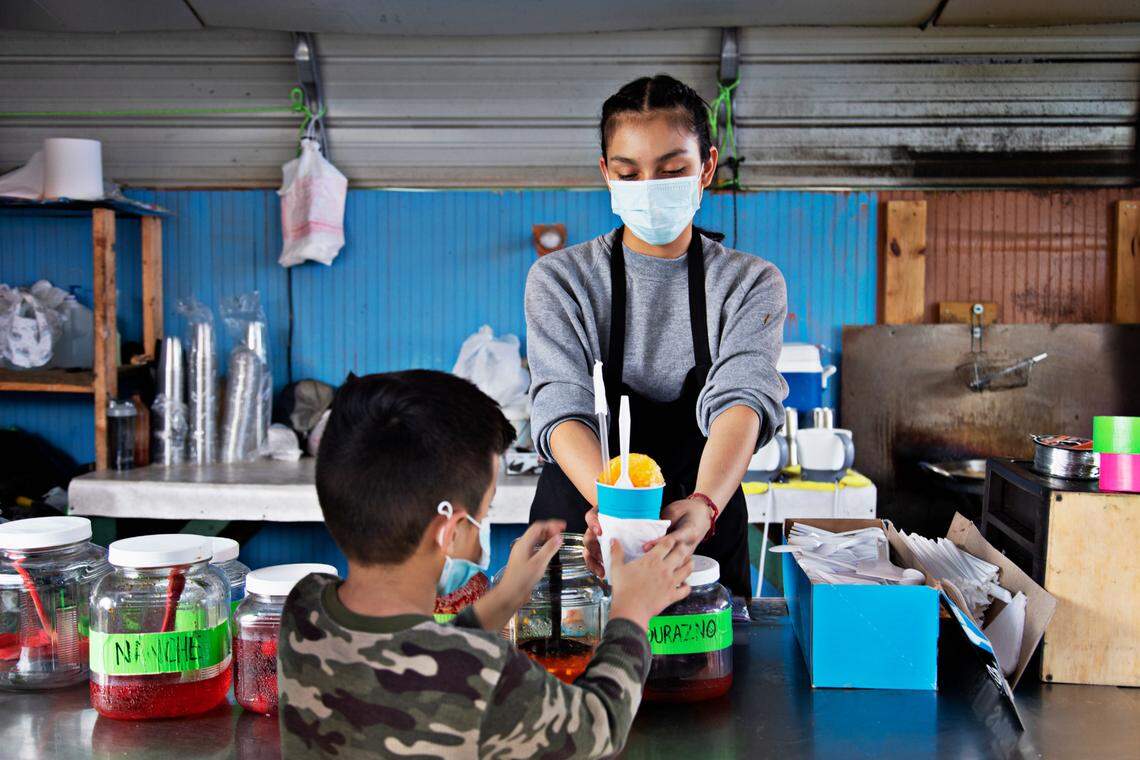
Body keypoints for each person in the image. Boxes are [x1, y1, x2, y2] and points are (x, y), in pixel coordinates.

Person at [277, 370, 693, 758]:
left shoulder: (303, 608)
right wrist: (632, 613)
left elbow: (413, 658)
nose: (486, 520)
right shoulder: (486, 675)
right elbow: (598, 726)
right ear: (452, 531)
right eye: (486, 508)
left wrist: (506, 598)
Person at [525, 74, 788, 600]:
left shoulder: (749, 283)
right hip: (586, 521)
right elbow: (561, 407)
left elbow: (742, 398)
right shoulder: (561, 281)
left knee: (705, 671)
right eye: (628, 172)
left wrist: (704, 507)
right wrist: (617, 515)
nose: (648, 188)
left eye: (671, 171)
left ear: (707, 167)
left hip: (699, 526)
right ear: (606, 174)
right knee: (567, 667)